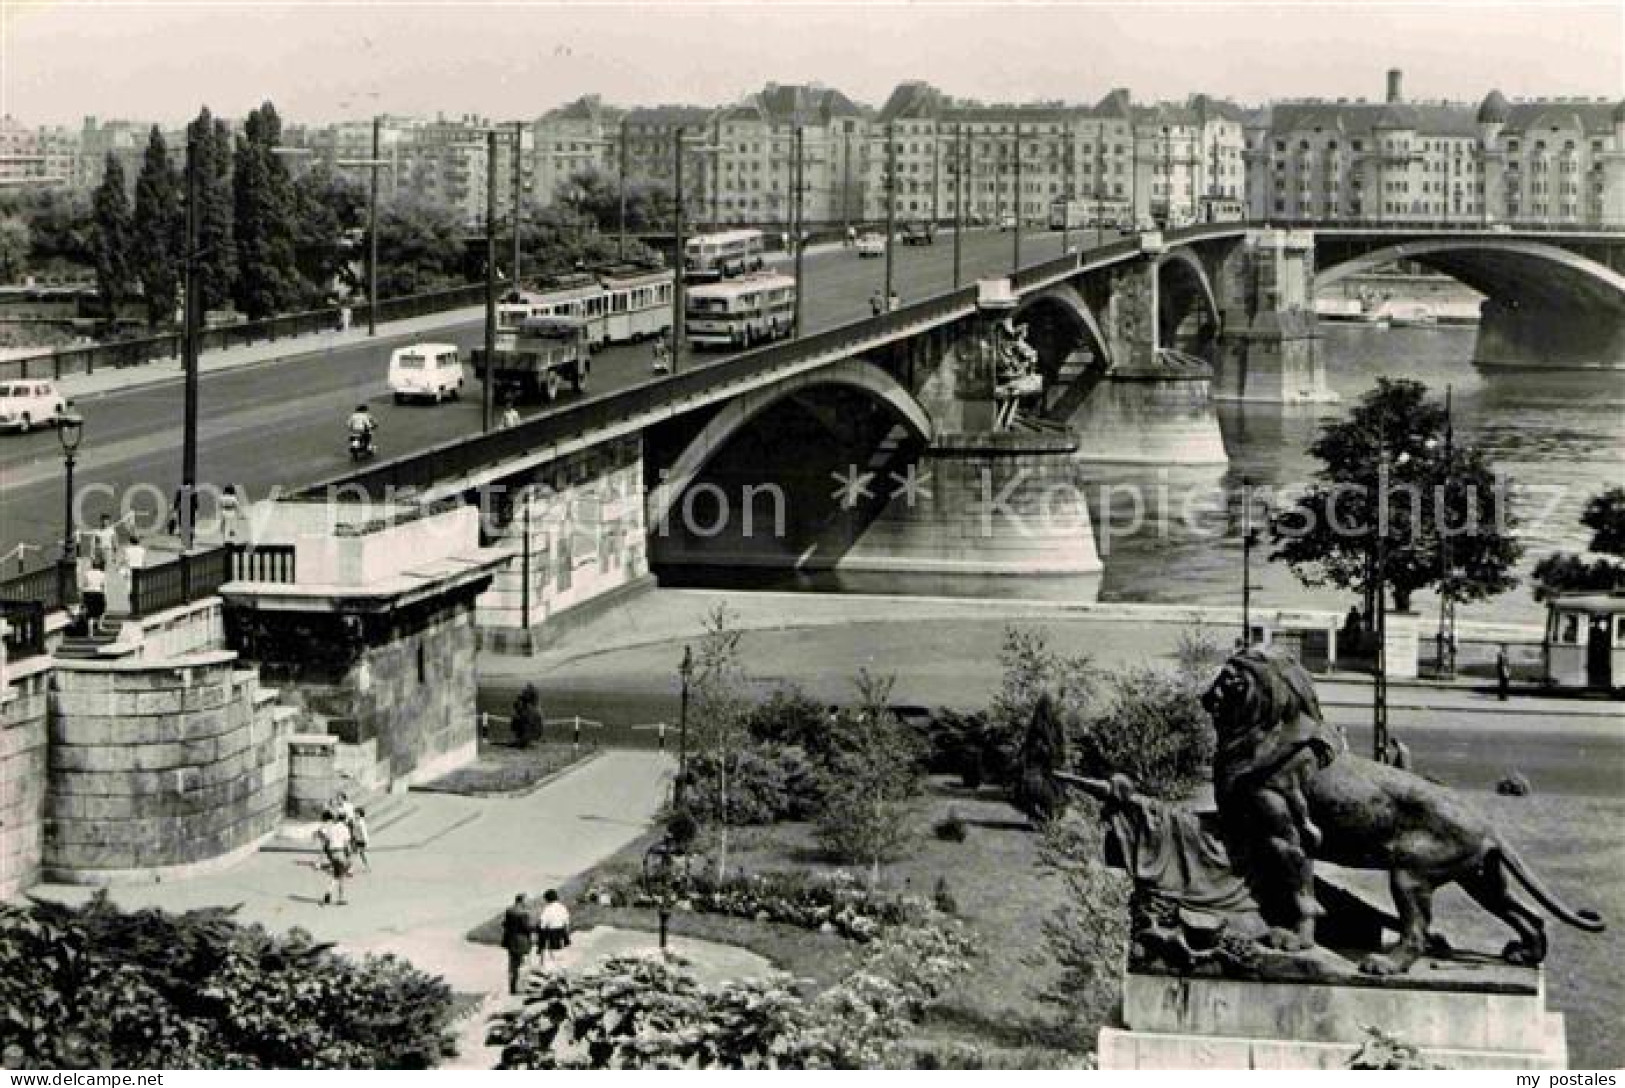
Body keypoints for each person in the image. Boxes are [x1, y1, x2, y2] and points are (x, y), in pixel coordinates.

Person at [315, 810, 353, 906]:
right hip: (340, 852)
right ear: (344, 819)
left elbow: (326, 842)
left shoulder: (331, 828)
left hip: (332, 853)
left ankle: (328, 892)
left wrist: (321, 858)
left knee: (336, 874)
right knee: (341, 877)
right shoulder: (345, 828)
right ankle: (340, 898)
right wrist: (349, 856)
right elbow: (346, 844)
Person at [501, 893, 536, 994]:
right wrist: (537, 928)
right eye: (527, 900)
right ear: (522, 901)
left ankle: (512, 988)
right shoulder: (524, 913)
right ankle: (522, 987)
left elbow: (505, 924)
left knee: (512, 965)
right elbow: (526, 928)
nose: (529, 902)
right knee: (523, 964)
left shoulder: (509, 910)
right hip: (522, 941)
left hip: (511, 941)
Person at [536, 888, 570, 969]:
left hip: (551, 933)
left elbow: (542, 925)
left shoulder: (548, 909)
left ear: (547, 899)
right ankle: (562, 968)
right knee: (560, 954)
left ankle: (550, 969)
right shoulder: (562, 907)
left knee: (552, 954)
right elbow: (567, 922)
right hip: (562, 931)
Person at [80, 563, 107, 637]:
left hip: (88, 593)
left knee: (90, 613)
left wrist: (82, 595)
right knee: (102, 609)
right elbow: (103, 585)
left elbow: (84, 584)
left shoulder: (87, 573)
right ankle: (100, 626)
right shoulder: (102, 574)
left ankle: (90, 633)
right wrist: (104, 594)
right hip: (98, 593)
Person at [349, 806, 371, 873]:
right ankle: (351, 868)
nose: (355, 814)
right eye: (354, 813)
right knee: (355, 854)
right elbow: (354, 830)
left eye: (356, 813)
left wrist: (366, 841)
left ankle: (367, 867)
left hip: (362, 840)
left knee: (362, 854)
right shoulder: (356, 821)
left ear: (360, 814)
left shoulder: (361, 822)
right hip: (357, 840)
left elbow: (364, 832)